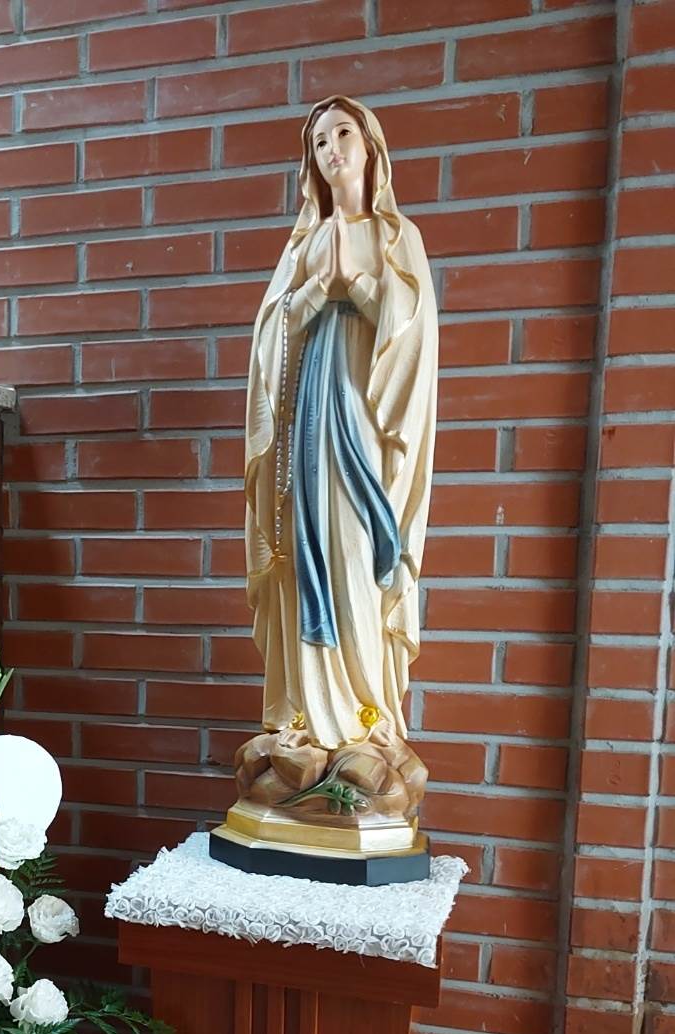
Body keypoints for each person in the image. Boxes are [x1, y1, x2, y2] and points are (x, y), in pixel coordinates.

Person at [244, 95, 439, 757]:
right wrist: (311, 292)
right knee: (307, 552)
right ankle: (308, 708)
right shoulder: (302, 242)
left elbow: (411, 335)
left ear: (370, 147)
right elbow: (274, 335)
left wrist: (353, 284)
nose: (331, 150)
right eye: (319, 142)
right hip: (307, 423)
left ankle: (365, 709)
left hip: (364, 418)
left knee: (354, 548)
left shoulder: (396, 238)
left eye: (342, 134)